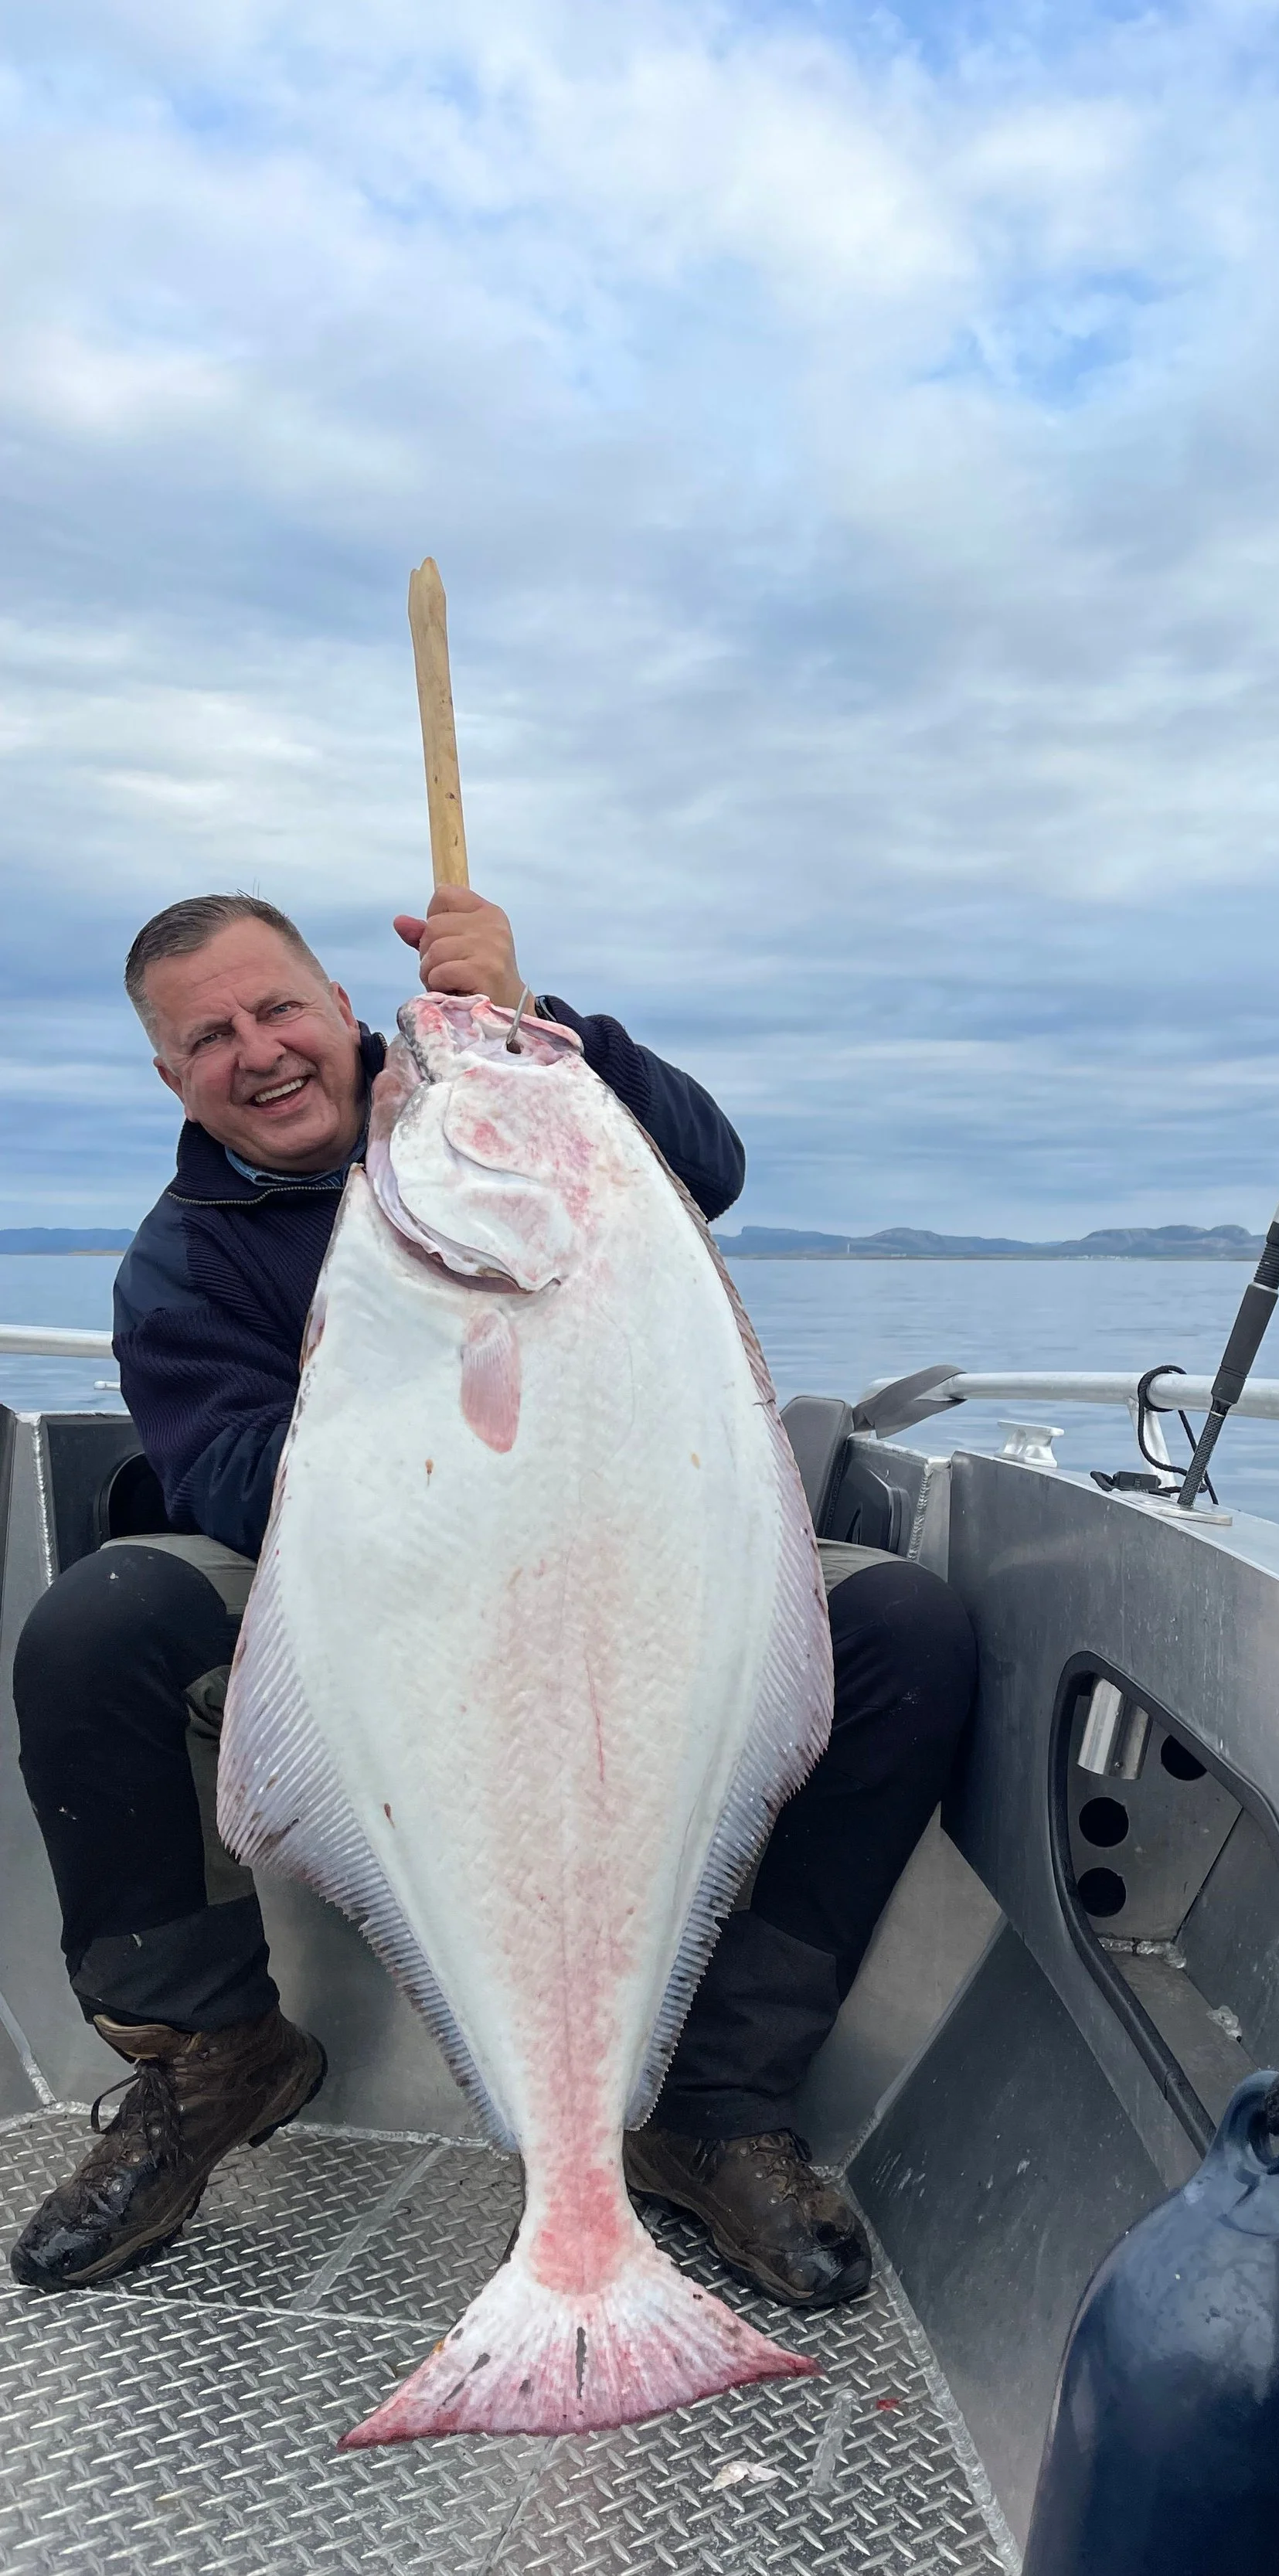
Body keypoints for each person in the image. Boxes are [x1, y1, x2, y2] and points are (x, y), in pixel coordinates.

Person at [9, 886, 975, 2312]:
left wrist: (535, 1030)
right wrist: (424, 1375)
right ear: (171, 1079)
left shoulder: (540, 1118)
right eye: (208, 1037)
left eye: (279, 1008)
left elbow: (705, 1160)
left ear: (345, 1011)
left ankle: (709, 2101)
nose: (258, 1050)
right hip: (365, 1609)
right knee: (96, 1623)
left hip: (637, 1549)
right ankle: (213, 2057)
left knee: (906, 1629)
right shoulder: (185, 1261)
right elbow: (227, 1482)